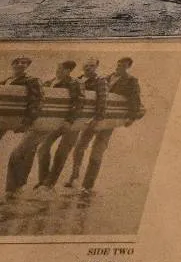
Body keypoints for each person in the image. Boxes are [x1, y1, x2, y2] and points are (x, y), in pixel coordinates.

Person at [80, 57, 144, 192]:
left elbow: (135, 99)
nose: (119, 67)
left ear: (128, 67)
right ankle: (74, 177)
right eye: (118, 64)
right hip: (95, 117)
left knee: (97, 152)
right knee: (80, 145)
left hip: (109, 121)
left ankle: (87, 186)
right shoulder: (106, 78)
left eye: (123, 66)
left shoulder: (131, 81)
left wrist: (131, 118)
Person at [36, 61, 84, 189]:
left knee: (61, 153)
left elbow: (79, 102)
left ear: (69, 71)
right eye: (58, 68)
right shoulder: (50, 82)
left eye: (62, 69)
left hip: (72, 124)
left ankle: (49, 183)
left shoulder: (75, 83)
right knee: (43, 148)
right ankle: (43, 181)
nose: (58, 71)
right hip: (54, 122)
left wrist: (69, 121)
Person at [4, 58, 44, 198]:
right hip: (7, 120)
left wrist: (27, 122)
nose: (20, 64)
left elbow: (38, 101)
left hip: (29, 122)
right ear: (12, 65)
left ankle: (13, 189)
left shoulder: (32, 80)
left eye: (24, 62)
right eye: (17, 62)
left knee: (19, 154)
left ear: (27, 66)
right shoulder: (7, 81)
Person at [65, 59, 108, 189]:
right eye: (86, 65)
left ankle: (82, 182)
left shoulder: (100, 80)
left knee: (82, 147)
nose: (88, 68)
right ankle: (74, 176)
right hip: (77, 119)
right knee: (77, 149)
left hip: (91, 120)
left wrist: (97, 118)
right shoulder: (78, 79)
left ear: (96, 67)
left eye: (92, 66)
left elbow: (103, 100)